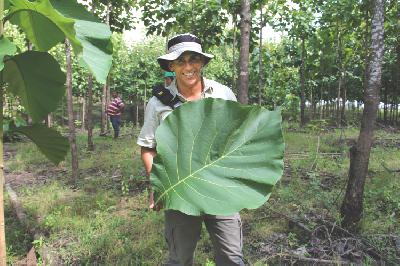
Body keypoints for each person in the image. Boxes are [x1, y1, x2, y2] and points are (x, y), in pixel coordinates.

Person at [137, 33, 244, 266]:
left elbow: (239, 136)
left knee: (232, 258)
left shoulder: (223, 94)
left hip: (219, 187)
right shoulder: (158, 103)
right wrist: (160, 184)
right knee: (180, 258)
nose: (188, 67)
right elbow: (148, 148)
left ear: (202, 62)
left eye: (194, 59)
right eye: (180, 61)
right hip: (180, 189)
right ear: (171, 66)